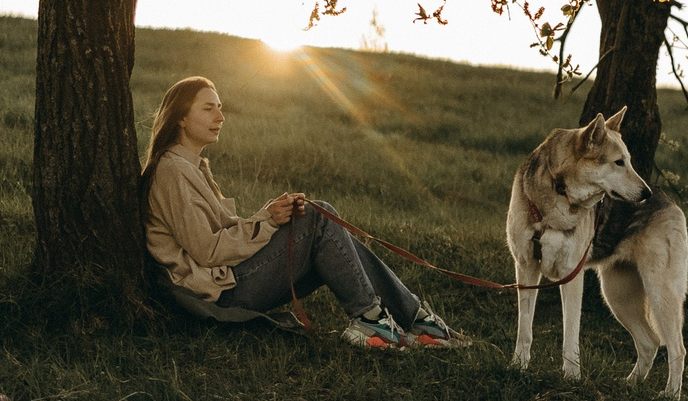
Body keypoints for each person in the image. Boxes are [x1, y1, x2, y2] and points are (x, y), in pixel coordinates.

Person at [140, 74, 464, 350]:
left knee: (321, 221)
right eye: (209, 109)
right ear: (180, 117)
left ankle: (410, 321)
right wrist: (266, 221)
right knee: (318, 215)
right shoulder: (172, 171)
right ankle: (381, 320)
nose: (220, 117)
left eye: (220, 108)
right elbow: (208, 249)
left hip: (227, 280)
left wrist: (271, 215)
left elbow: (221, 234)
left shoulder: (193, 167)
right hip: (217, 293)